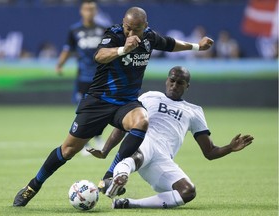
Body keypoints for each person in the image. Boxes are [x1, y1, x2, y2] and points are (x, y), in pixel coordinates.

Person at [13, 6, 213, 207]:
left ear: (146, 26)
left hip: (125, 103)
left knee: (141, 120)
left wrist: (197, 47)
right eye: (128, 28)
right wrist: (123, 49)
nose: (131, 33)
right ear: (123, 24)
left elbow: (171, 44)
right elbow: (99, 56)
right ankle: (32, 186)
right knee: (67, 150)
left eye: (136, 29)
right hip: (99, 101)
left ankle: (109, 176)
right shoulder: (114, 34)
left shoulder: (150, 38)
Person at [89, 66, 254, 208]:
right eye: (172, 80)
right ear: (167, 81)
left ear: (187, 86)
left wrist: (230, 148)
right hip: (145, 142)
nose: (174, 85)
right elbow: (123, 127)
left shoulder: (194, 111)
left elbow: (209, 152)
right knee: (139, 150)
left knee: (188, 192)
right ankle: (119, 176)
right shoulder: (149, 97)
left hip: (162, 159)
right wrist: (105, 150)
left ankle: (127, 203)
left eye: (180, 83)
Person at [56, 0, 106, 155]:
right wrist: (60, 64)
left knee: (102, 109)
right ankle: (85, 143)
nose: (89, 12)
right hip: (83, 77)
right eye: (86, 9)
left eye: (92, 9)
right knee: (83, 110)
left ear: (96, 11)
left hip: (101, 76)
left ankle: (98, 138)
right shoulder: (75, 30)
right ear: (81, 11)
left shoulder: (103, 30)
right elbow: (68, 49)